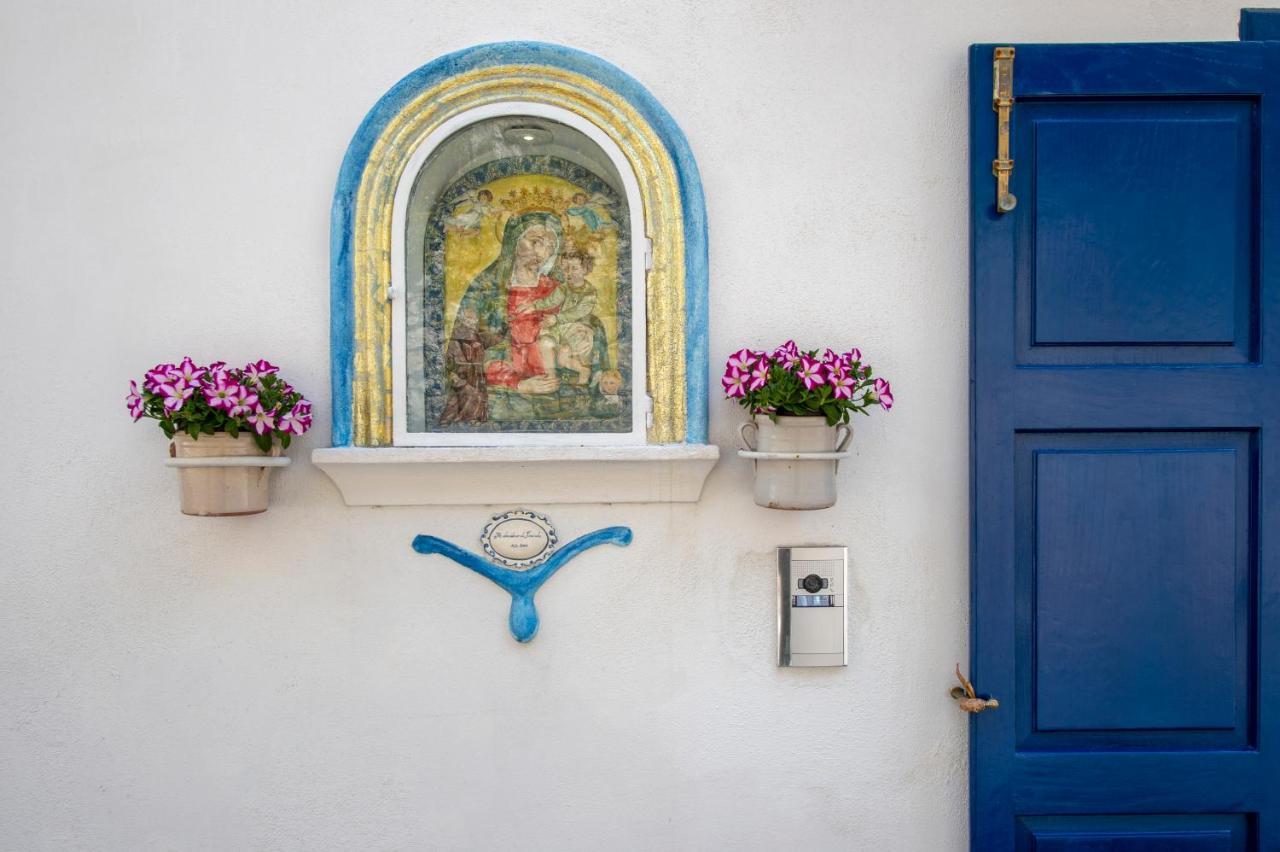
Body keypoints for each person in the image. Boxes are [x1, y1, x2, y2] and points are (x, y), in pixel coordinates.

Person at [440, 212, 564, 424]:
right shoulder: (487, 287)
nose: (541, 251)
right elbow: (465, 347)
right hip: (501, 370)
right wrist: (519, 384)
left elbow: (567, 329)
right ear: (514, 240)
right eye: (535, 241)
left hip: (546, 369)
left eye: (549, 246)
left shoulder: (554, 289)